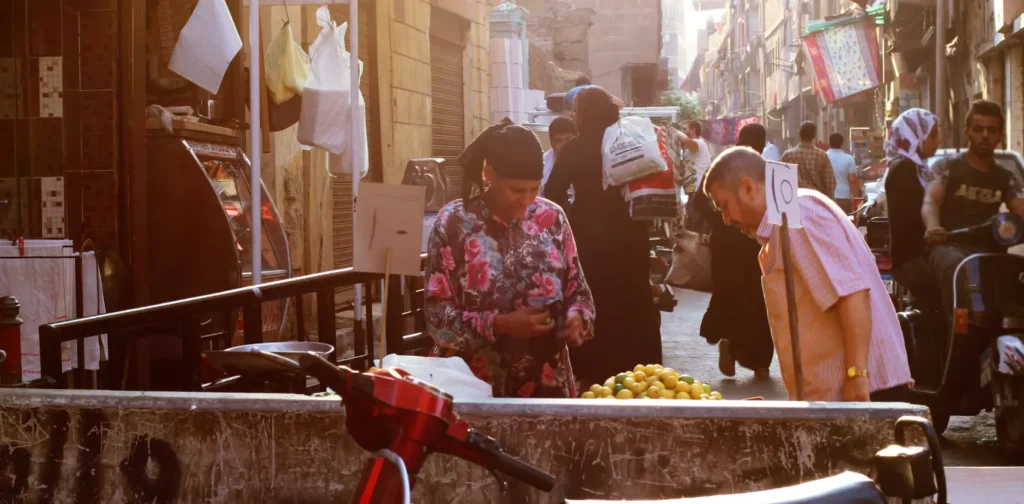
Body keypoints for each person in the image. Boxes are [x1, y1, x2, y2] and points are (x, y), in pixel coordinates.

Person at [702, 147, 913, 401]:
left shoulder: (800, 215)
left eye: (724, 206)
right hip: (836, 397)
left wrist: (857, 375)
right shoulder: (784, 224)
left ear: (748, 188)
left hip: (864, 393)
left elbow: (853, 294)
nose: (726, 220)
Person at [425, 119, 596, 398]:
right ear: (489, 174)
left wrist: (578, 317)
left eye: (533, 189)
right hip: (471, 390)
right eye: (517, 190)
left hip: (547, 391)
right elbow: (436, 319)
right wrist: (501, 324)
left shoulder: (552, 219)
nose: (526, 199)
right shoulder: (454, 223)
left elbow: (580, 294)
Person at [545, 86, 662, 386]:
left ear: (583, 114)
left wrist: (577, 212)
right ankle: (639, 371)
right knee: (632, 297)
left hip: (590, 237)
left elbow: (553, 192)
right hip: (631, 234)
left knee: (595, 299)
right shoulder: (628, 142)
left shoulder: (576, 147)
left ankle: (595, 372)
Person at [921, 100, 1024, 318]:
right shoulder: (948, 167)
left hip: (990, 251)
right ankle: (957, 340)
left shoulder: (1006, 177)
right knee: (955, 268)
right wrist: (933, 227)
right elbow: (931, 201)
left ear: (1000, 136)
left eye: (991, 130)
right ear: (967, 133)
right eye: (979, 129)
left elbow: (1021, 208)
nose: (985, 135)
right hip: (950, 246)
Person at [691, 123, 774, 378]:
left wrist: (720, 220)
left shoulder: (723, 165)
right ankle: (760, 363)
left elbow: (698, 202)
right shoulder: (762, 170)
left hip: (728, 245)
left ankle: (729, 339)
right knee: (759, 299)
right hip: (754, 244)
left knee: (728, 293)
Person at [883, 108, 941, 298]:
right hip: (913, 259)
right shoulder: (903, 170)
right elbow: (912, 219)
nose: (937, 141)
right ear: (915, 135)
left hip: (923, 255)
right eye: (932, 136)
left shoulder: (918, 168)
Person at [781, 121, 837, 199]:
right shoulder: (822, 156)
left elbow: (781, 182)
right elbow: (830, 184)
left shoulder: (787, 155)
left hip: (794, 201)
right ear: (814, 136)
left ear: (799, 134)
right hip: (817, 201)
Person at [540, 117, 577, 198]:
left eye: (569, 139)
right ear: (551, 142)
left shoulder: (588, 162)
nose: (564, 145)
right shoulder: (540, 164)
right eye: (559, 141)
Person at [826, 133, 859, 213]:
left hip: (827, 197)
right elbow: (852, 181)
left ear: (829, 142)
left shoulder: (823, 156)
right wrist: (857, 198)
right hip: (844, 197)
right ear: (842, 144)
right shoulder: (849, 159)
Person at [678, 120, 712, 193]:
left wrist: (674, 131)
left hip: (698, 190)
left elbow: (686, 141)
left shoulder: (699, 143)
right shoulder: (687, 151)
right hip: (692, 191)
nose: (682, 132)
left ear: (693, 130)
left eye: (684, 129)